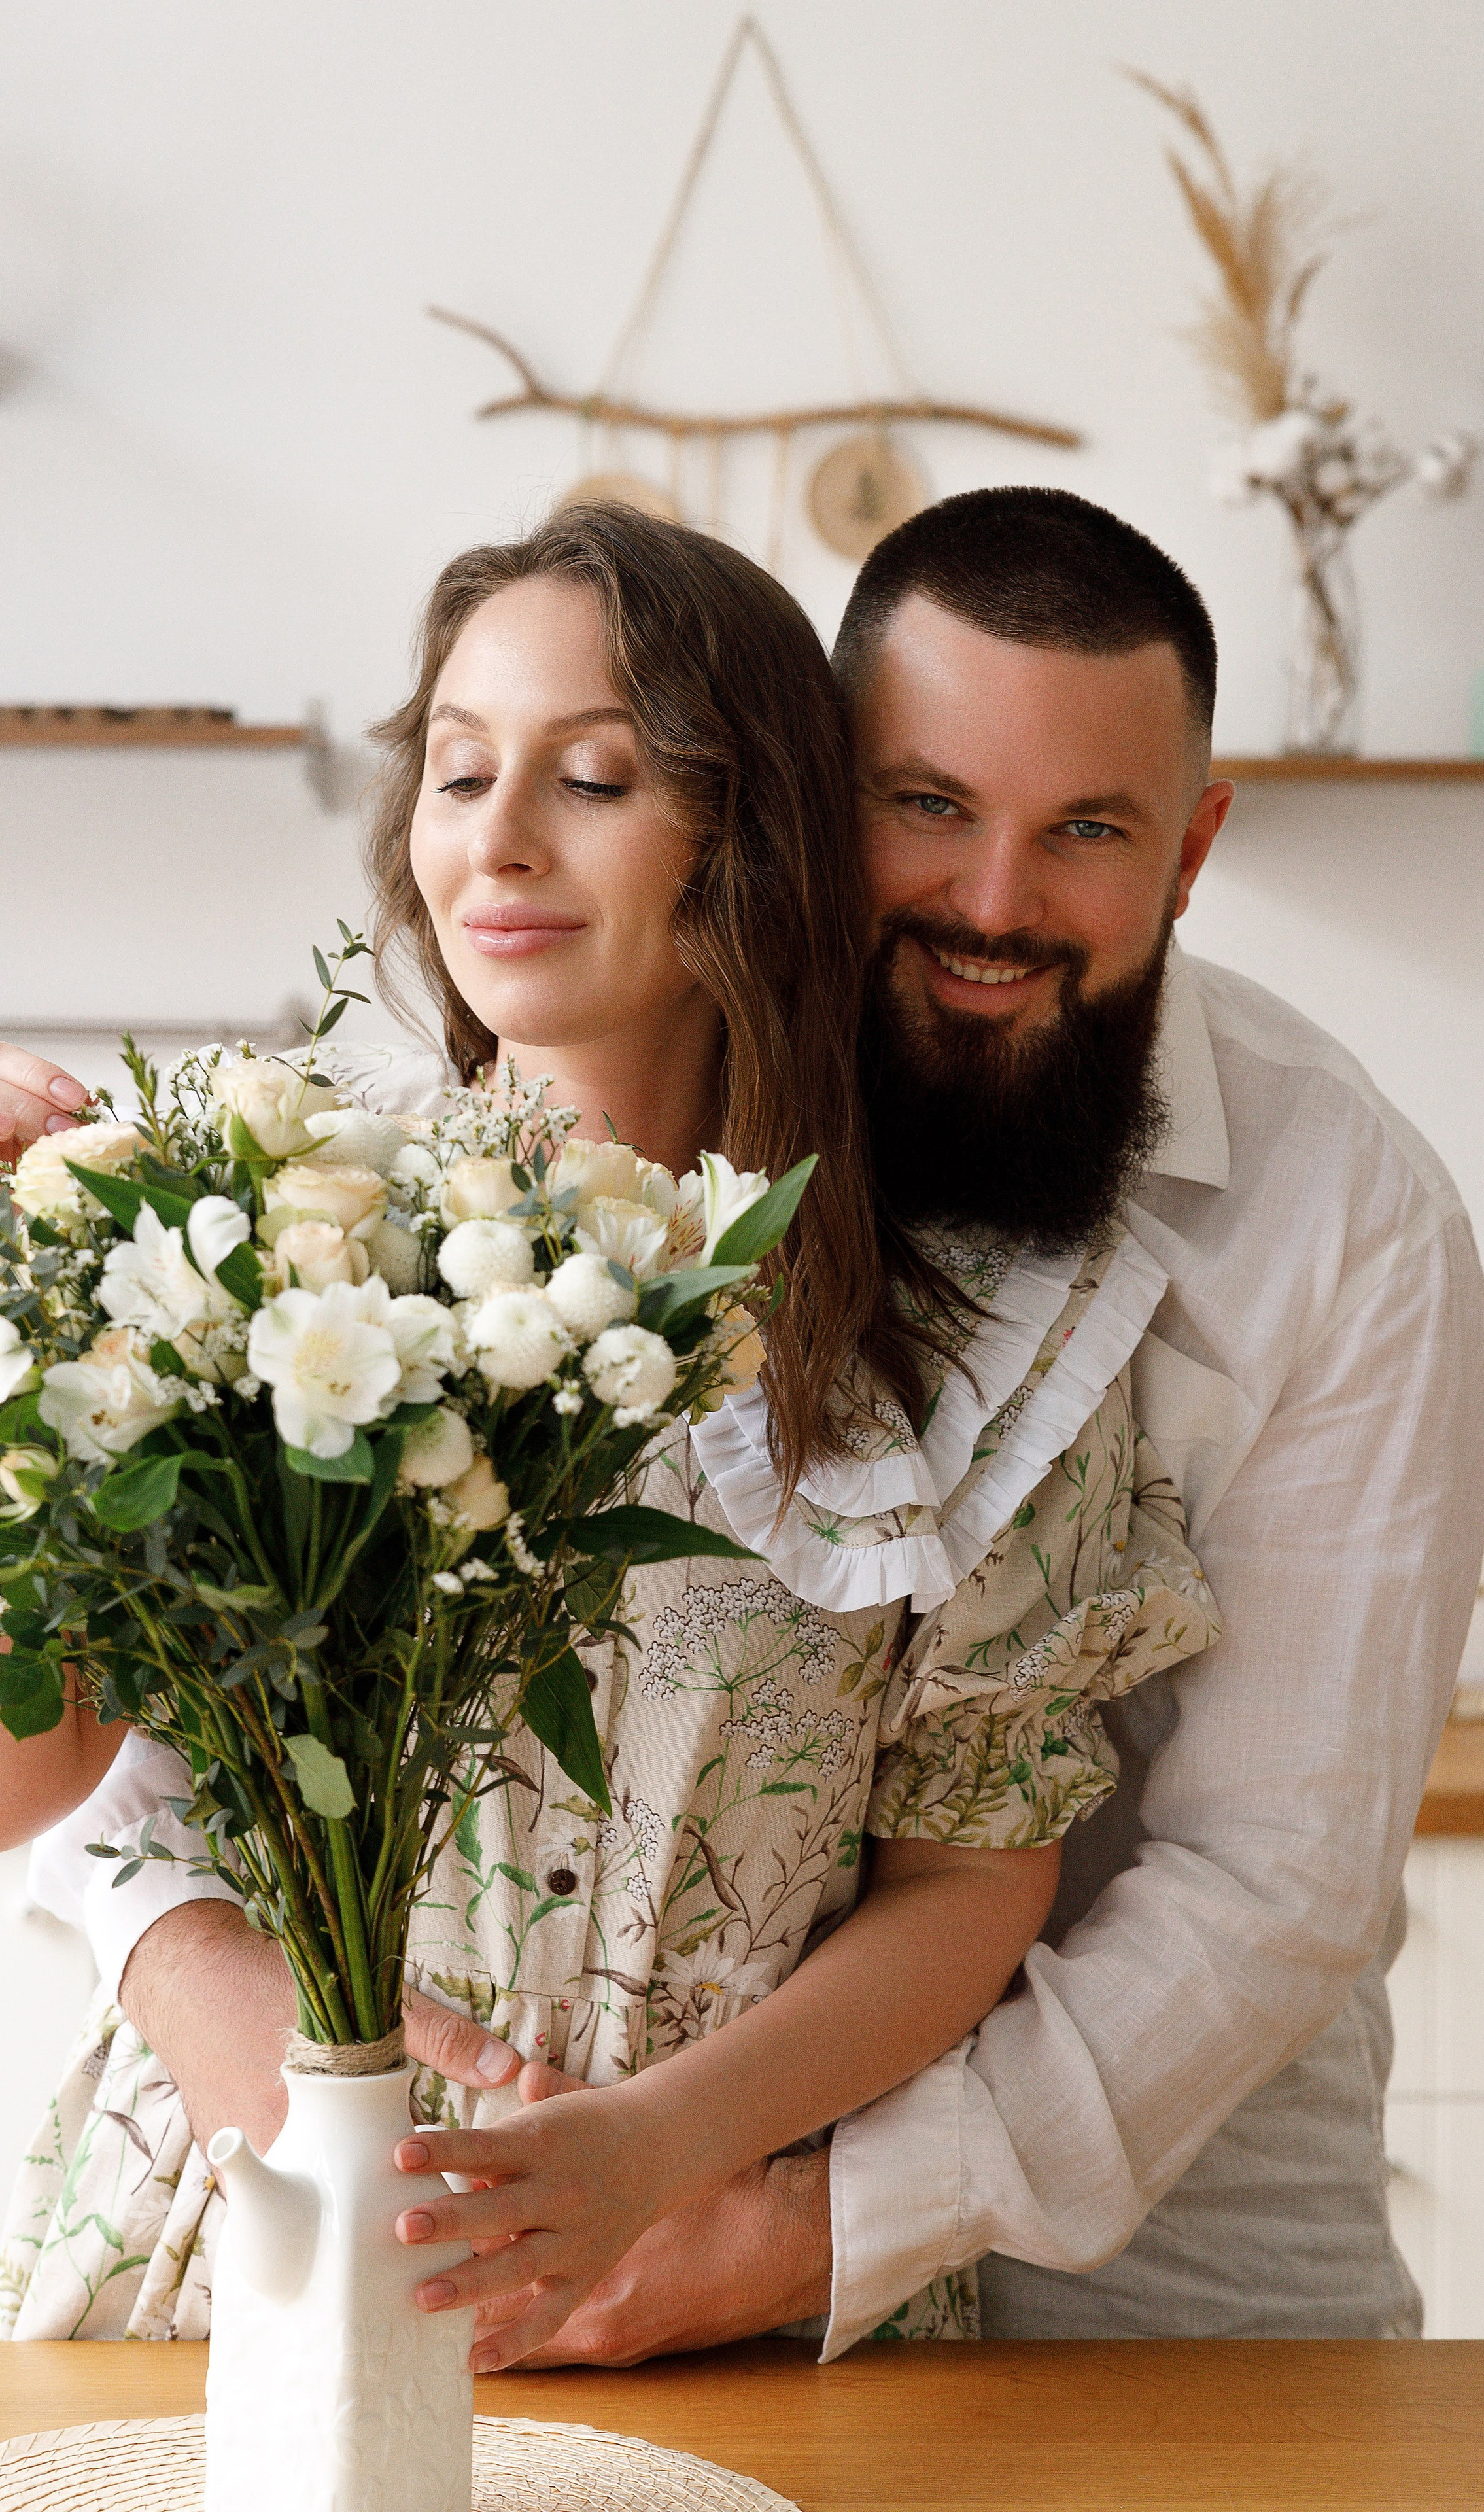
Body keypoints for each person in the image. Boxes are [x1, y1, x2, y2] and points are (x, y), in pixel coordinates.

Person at [0, 500, 1218, 2358]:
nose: (496, 839)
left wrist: (661, 2150)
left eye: (589, 779)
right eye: (458, 771)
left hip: (715, 2272)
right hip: (244, 2242)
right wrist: (35, 1327)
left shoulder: (978, 1353)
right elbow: (36, 1788)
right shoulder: (257, 1242)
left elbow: (975, 1873)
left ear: (755, 837)